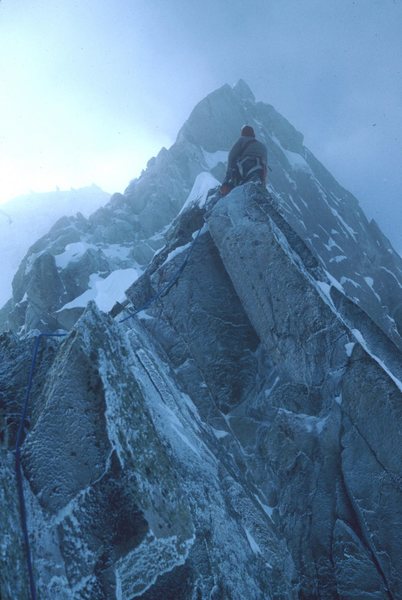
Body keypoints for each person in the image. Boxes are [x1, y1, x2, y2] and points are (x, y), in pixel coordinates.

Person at [221, 125, 268, 196]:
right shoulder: (263, 146)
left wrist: (226, 180)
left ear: (243, 134)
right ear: (253, 135)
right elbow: (265, 166)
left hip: (245, 168)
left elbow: (231, 157)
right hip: (261, 171)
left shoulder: (242, 140)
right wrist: (263, 184)